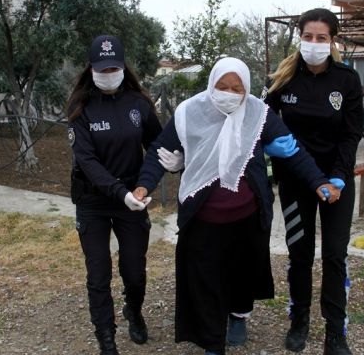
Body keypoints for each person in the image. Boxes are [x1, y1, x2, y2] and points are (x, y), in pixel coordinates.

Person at [133, 57, 334, 355]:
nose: (228, 93)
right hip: (203, 217)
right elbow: (159, 152)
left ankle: (238, 315)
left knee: (241, 275)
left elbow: (293, 150)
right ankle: (213, 342)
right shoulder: (190, 112)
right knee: (205, 283)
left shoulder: (258, 112)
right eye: (222, 86)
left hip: (247, 216)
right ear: (211, 84)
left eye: (236, 88)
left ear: (246, 89)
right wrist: (143, 185)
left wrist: (319, 181)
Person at [262, 8, 364, 355]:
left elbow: (352, 135)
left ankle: (335, 333)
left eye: (322, 38)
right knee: (300, 254)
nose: (314, 44)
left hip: (336, 184)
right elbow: (261, 121)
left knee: (335, 255)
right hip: (295, 182)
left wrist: (337, 178)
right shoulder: (283, 80)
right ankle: (299, 320)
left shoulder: (347, 80)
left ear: (332, 40)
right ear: (299, 38)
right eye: (308, 37)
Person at [67, 35, 162, 355]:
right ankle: (106, 338)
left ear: (123, 67)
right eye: (102, 68)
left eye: (114, 67)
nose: (108, 73)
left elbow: (158, 147)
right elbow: (87, 161)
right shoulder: (80, 106)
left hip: (132, 198)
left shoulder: (139, 104)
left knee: (134, 271)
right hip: (93, 200)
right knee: (98, 273)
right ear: (92, 69)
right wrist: (120, 193)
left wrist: (154, 178)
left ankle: (133, 312)